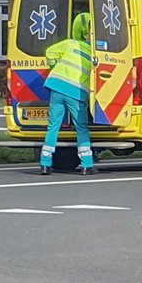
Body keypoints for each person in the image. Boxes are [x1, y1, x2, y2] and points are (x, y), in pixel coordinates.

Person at [38, 11, 96, 176]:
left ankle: (45, 163)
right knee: (81, 128)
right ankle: (87, 164)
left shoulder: (69, 44)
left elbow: (50, 52)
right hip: (76, 94)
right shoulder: (94, 53)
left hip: (56, 88)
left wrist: (53, 66)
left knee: (53, 127)